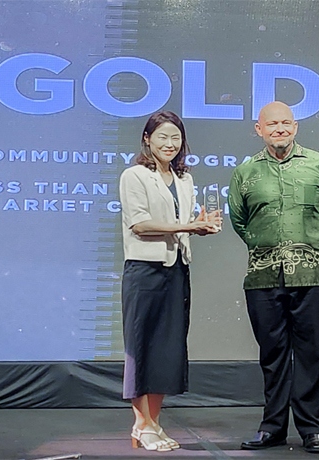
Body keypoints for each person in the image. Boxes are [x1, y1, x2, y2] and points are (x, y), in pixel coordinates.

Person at [228, 101, 319, 454]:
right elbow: (239, 220)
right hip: (263, 276)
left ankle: (312, 429)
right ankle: (272, 428)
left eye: (285, 123)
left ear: (295, 127)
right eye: (272, 124)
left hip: (314, 275)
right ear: (259, 129)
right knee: (273, 354)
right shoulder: (245, 172)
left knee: (312, 354)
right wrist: (265, 247)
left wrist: (314, 246)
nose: (279, 129)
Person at [119, 111, 221, 452]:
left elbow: (182, 223)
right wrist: (189, 226)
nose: (169, 144)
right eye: (162, 137)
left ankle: (154, 423)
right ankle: (141, 424)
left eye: (175, 137)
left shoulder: (184, 179)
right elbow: (140, 224)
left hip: (177, 268)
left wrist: (200, 224)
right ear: (147, 139)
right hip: (145, 271)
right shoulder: (134, 175)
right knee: (142, 347)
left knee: (167, 348)